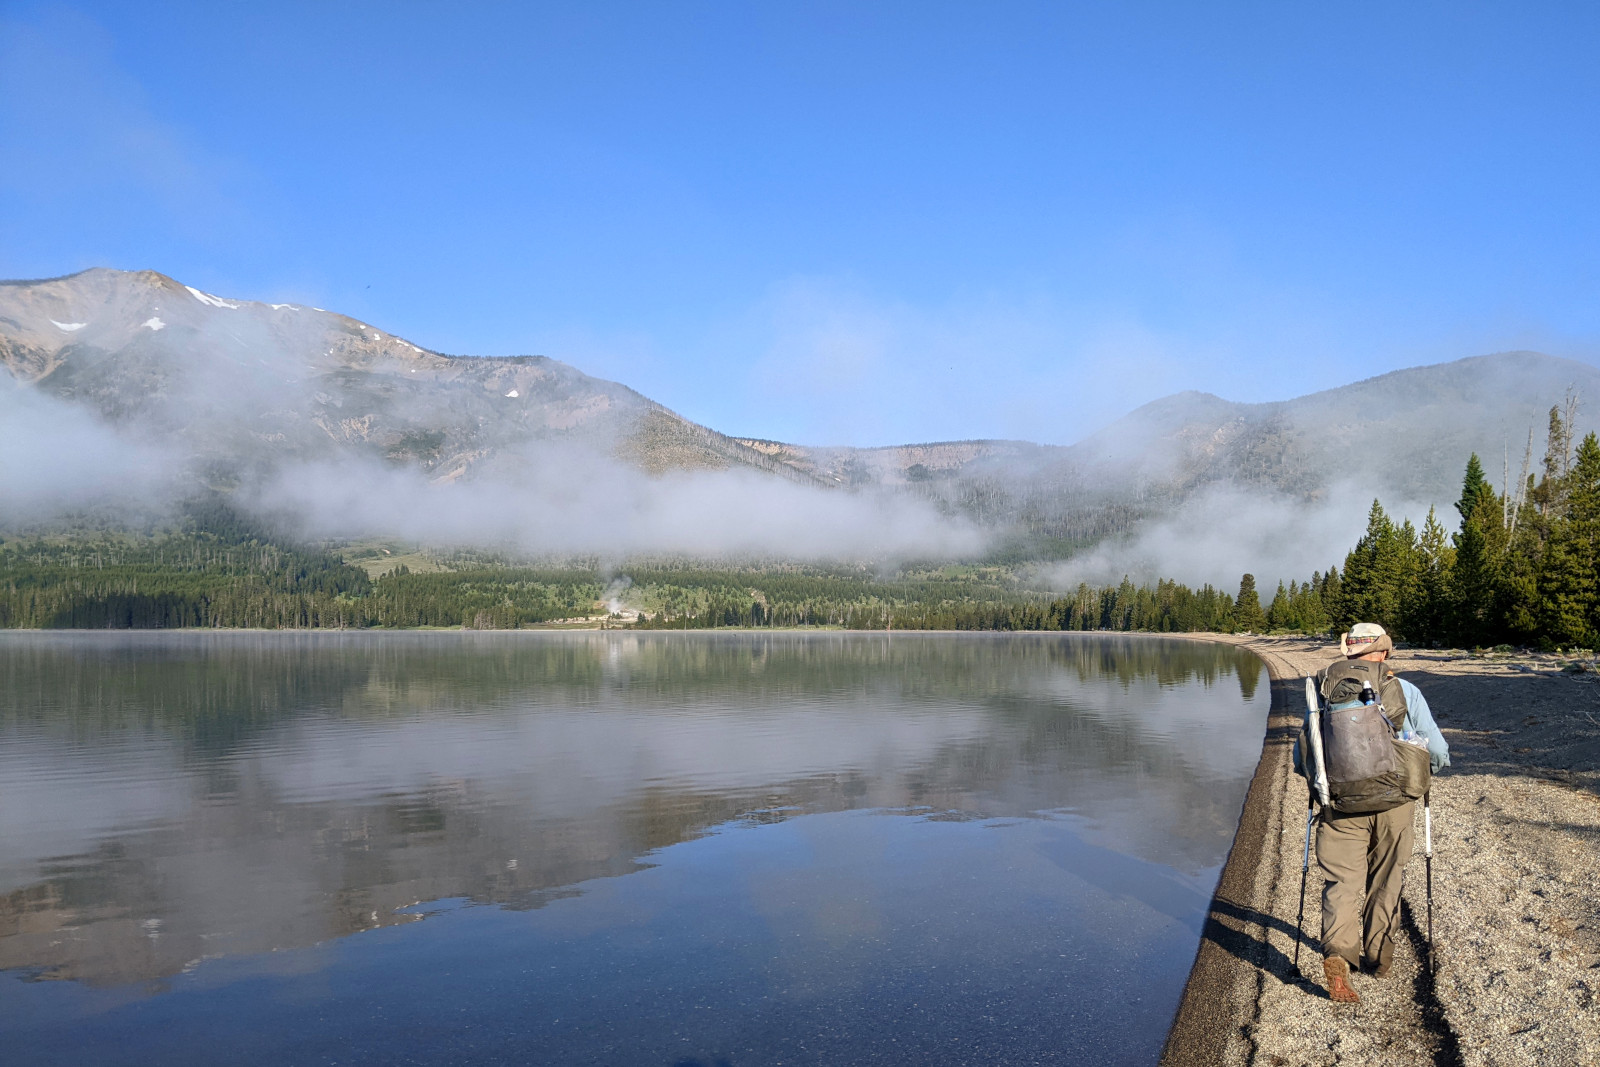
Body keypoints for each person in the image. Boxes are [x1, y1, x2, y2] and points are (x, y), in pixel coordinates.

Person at [1294, 622, 1450, 1004]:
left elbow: (1304, 757)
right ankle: (1378, 957)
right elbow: (1439, 752)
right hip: (1394, 803)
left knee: (1342, 884)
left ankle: (1337, 956)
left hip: (1340, 804)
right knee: (1386, 880)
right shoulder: (1404, 689)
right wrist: (1427, 772)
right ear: (1383, 651)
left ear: (1350, 651)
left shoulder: (1324, 689)